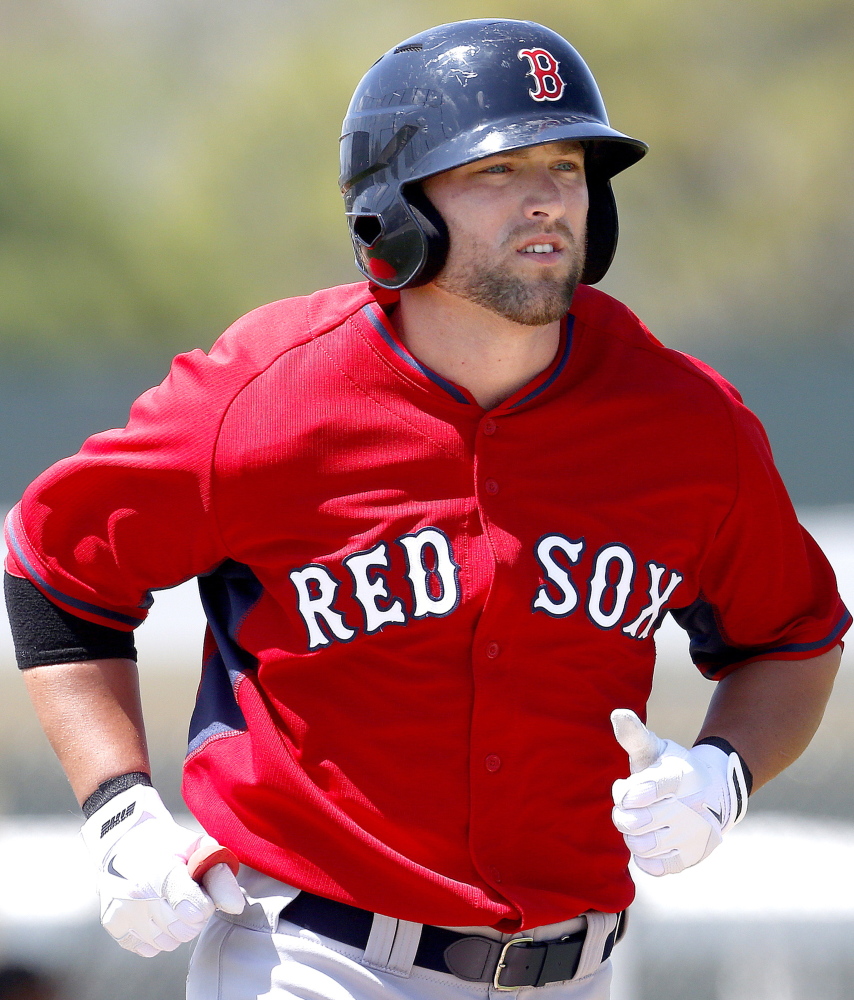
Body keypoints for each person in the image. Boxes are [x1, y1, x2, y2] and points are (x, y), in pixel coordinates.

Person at [3, 18, 848, 1000]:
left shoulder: (684, 422)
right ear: (394, 208)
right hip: (316, 960)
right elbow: (56, 569)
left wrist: (724, 769)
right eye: (497, 170)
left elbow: (790, 633)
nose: (546, 199)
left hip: (581, 967)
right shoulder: (262, 398)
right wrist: (119, 809)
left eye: (568, 165)